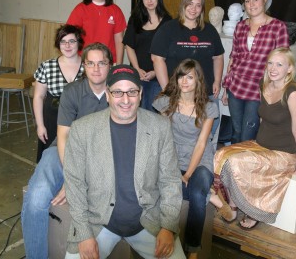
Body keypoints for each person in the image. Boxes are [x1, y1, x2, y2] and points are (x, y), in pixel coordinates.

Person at [63, 65, 186, 259]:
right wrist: (85, 234)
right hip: (99, 223)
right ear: (108, 95)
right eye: (118, 92)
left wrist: (168, 227)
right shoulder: (82, 130)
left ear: (140, 93)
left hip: (148, 222)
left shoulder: (160, 127)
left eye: (132, 92)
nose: (126, 100)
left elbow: (170, 180)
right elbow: (74, 184)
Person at [22, 43, 113, 259]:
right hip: (62, 151)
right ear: (84, 65)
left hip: (99, 159)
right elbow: (63, 137)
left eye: (102, 63)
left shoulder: (119, 92)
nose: (96, 69)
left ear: (111, 65)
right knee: (36, 199)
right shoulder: (72, 91)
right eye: (90, 63)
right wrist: (71, 178)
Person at [211, 47, 296, 230]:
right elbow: (262, 118)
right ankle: (234, 205)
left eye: (279, 64)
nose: (273, 68)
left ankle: (252, 210)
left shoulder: (294, 94)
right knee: (221, 154)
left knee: (235, 161)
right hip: (261, 145)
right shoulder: (264, 84)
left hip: (282, 154)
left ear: (289, 69)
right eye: (270, 63)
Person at [153, 59, 218, 259]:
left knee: (196, 193)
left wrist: (188, 174)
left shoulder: (208, 107)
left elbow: (201, 144)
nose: (185, 81)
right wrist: (170, 169)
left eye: (190, 77)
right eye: (182, 76)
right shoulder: (166, 102)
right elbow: (162, 138)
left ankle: (193, 251)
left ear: (198, 80)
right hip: (173, 156)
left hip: (200, 159)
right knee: (174, 190)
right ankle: (213, 196)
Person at [222, 0, 289, 144]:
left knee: (248, 135)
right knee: (236, 132)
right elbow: (234, 57)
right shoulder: (240, 27)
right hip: (236, 87)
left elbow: (283, 62)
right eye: (247, 1)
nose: (251, 5)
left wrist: (275, 93)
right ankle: (233, 168)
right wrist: (226, 89)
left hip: (259, 90)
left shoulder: (277, 27)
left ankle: (246, 168)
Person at [151, 0, 224, 138]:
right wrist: (167, 88)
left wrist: (217, 80)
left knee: (207, 133)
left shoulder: (209, 30)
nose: (193, 9)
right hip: (178, 93)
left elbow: (218, 57)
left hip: (206, 92)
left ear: (202, 8)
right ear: (183, 5)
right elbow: (157, 59)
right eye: (190, 4)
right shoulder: (168, 29)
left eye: (198, 5)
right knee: (175, 136)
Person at [33, 24, 85, 162]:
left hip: (80, 118)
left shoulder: (88, 66)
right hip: (52, 119)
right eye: (63, 41)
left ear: (78, 43)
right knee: (51, 158)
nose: (67, 45)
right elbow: (38, 96)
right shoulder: (47, 66)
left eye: (71, 41)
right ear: (58, 44)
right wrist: (40, 125)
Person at [124, 0, 172, 111]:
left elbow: (170, 52)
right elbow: (129, 46)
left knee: (154, 116)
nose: (149, 0)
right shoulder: (135, 19)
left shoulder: (168, 22)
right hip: (136, 76)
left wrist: (155, 72)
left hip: (158, 77)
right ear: (141, 0)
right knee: (135, 113)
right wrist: (137, 69)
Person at [67, 0, 127, 64]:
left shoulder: (116, 11)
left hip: (108, 62)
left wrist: (119, 65)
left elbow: (119, 40)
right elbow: (69, 37)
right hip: (85, 62)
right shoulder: (80, 9)